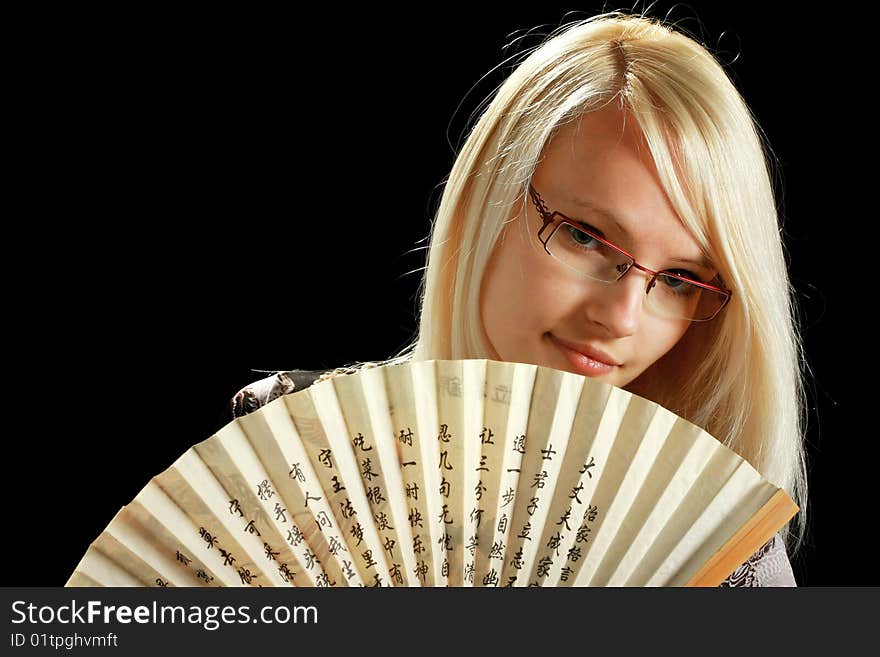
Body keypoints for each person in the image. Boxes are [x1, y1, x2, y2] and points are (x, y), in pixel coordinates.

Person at [231, 10, 808, 587]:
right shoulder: (294, 449)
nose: (622, 318)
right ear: (492, 192)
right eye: (587, 236)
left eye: (681, 279)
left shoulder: (718, 551)